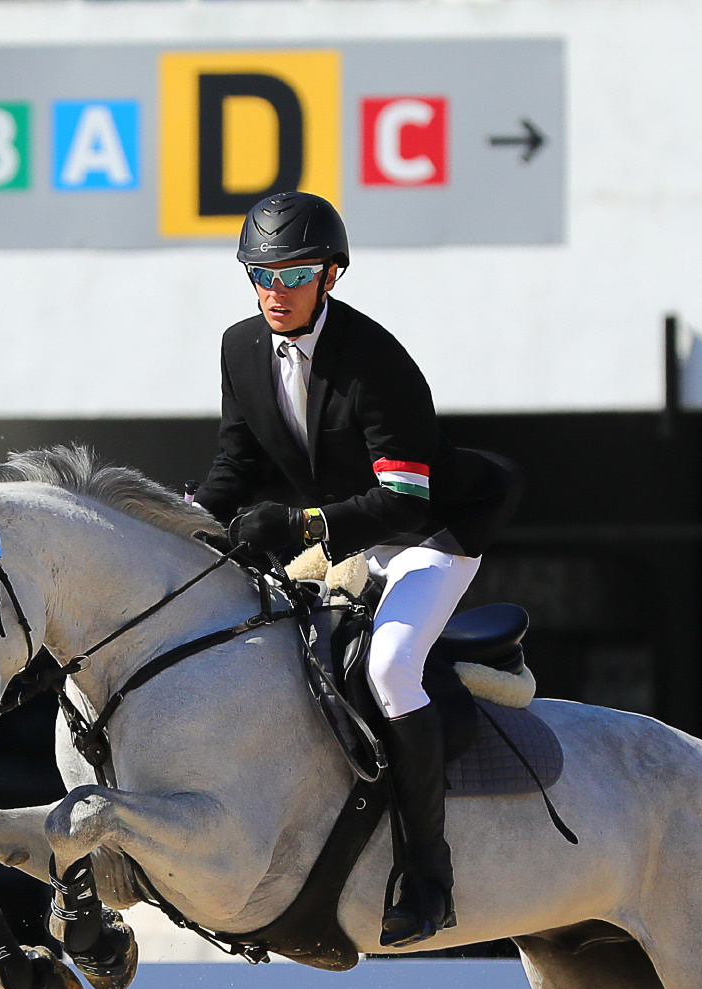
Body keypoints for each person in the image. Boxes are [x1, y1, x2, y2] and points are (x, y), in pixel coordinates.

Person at [193, 190, 518, 950]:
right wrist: (174, 520)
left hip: (433, 532)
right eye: (260, 275)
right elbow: (235, 468)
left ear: (330, 275)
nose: (275, 292)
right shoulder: (241, 349)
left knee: (392, 666)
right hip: (357, 535)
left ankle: (430, 876)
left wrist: (302, 524)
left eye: (294, 275)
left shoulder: (376, 359)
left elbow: (405, 501)